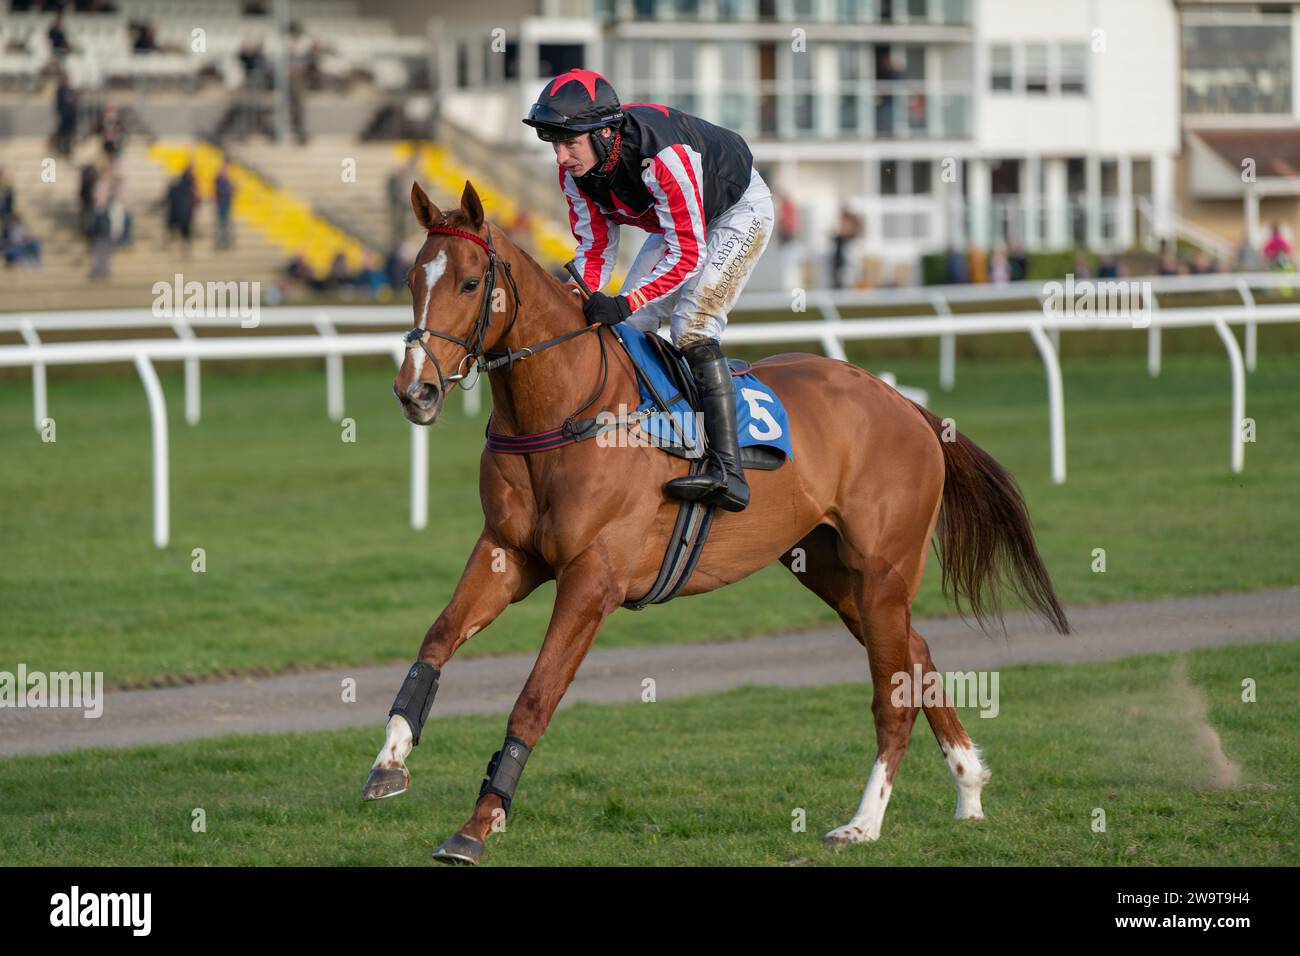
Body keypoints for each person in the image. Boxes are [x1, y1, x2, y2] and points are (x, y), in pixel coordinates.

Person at [523, 68, 775, 512]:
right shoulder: (575, 172)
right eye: (555, 144)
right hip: (675, 222)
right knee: (631, 327)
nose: (561, 157)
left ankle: (728, 471)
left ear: (604, 133)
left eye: (569, 143)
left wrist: (624, 300)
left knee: (692, 326)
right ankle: (644, 434)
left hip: (737, 210)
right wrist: (578, 294)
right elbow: (596, 246)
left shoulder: (664, 158)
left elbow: (687, 255)